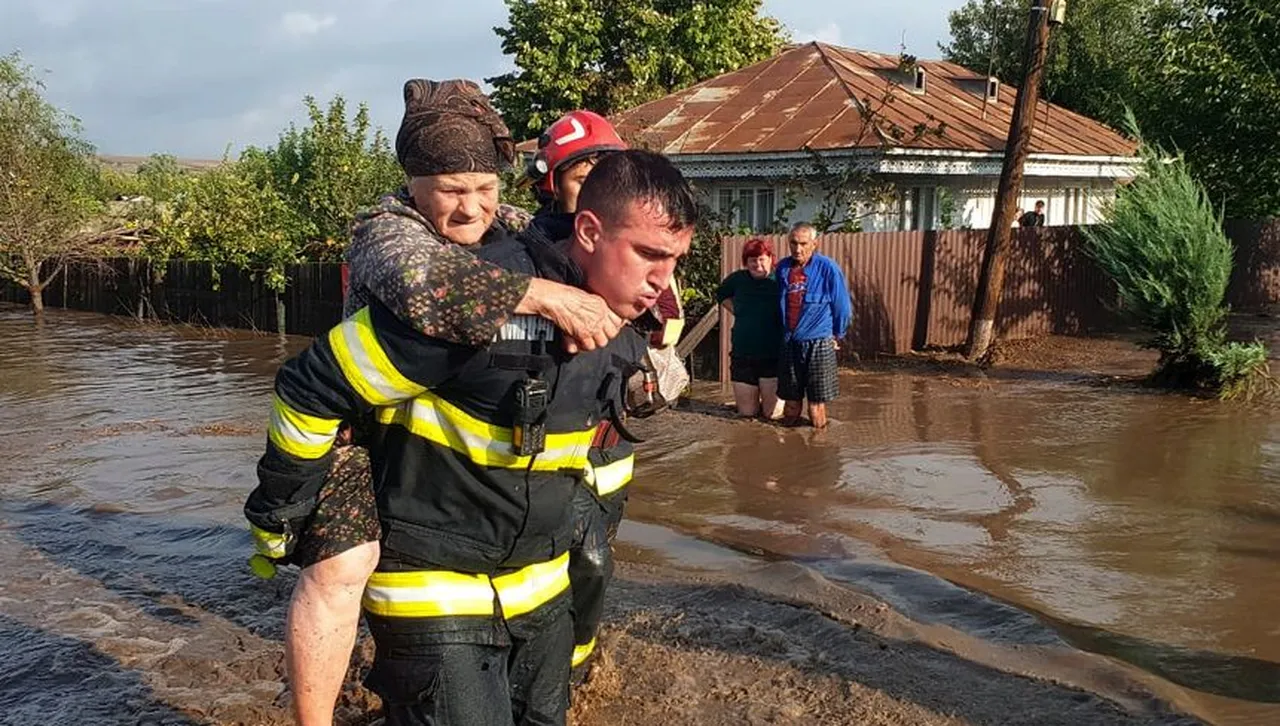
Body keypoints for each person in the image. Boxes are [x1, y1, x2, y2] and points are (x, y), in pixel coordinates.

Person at [246, 148, 697, 725]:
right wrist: (282, 512)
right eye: (650, 256)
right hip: (435, 594)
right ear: (588, 230)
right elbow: (312, 387)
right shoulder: (472, 302)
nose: (664, 283)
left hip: (540, 591)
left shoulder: (621, 311)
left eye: (675, 261)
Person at [775, 222, 852, 430]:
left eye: (803, 243)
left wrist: (837, 335)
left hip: (818, 342)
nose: (797, 249)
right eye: (793, 243)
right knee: (790, 403)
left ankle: (819, 450)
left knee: (816, 406)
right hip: (790, 342)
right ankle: (788, 450)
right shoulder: (782, 268)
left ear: (814, 244)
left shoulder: (828, 268)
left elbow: (842, 306)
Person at [715, 238, 784, 419]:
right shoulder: (737, 279)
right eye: (752, 260)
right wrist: (737, 310)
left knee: (772, 416)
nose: (757, 264)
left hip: (774, 356)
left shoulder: (781, 279)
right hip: (743, 354)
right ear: (746, 262)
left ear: (770, 259)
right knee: (747, 415)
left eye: (762, 258)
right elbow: (721, 294)